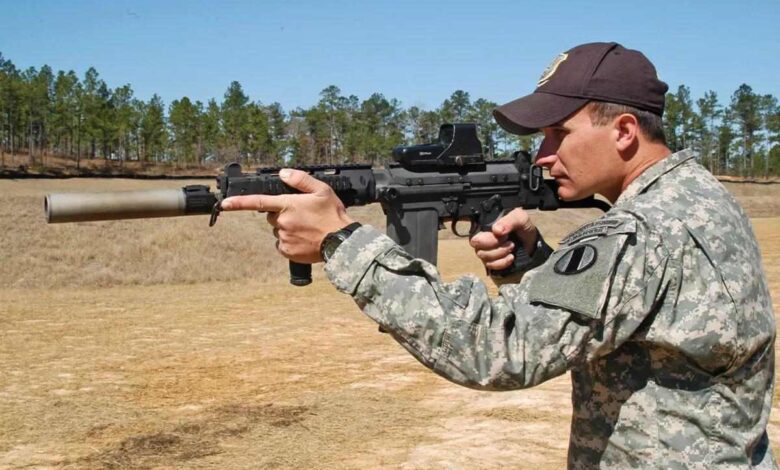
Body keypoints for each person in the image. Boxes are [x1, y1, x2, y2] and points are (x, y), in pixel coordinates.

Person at [221, 42, 776, 468]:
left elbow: (498, 350)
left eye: (558, 133)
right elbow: (642, 326)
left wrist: (343, 242)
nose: (543, 156)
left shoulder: (640, 230)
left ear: (625, 131)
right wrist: (532, 266)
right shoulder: (699, 198)